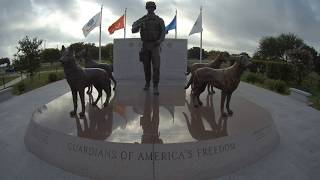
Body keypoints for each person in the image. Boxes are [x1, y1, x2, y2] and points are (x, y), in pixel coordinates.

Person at [132, 1, 165, 95]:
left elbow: (163, 32)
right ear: (146, 8)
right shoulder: (143, 19)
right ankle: (147, 83)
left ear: (154, 8)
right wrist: (139, 25)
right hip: (145, 45)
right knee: (146, 66)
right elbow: (133, 30)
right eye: (149, 7)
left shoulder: (159, 20)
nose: (150, 9)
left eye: (152, 7)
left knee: (156, 67)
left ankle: (155, 86)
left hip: (155, 46)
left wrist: (159, 41)